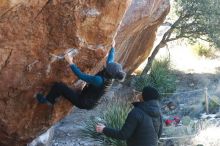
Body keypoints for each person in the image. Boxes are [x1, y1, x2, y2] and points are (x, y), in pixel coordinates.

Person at [36, 44, 126, 110]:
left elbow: (80, 75)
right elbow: (110, 60)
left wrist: (70, 62)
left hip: (83, 102)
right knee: (71, 89)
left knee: (59, 87)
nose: (107, 65)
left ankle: (48, 101)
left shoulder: (99, 80)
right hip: (90, 99)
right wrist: (113, 47)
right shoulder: (111, 75)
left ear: (108, 70)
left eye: (108, 66)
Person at [96, 86, 163, 146]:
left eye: (142, 92)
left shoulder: (136, 112)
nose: (139, 93)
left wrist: (104, 129)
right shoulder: (159, 113)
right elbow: (158, 135)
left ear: (144, 96)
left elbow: (123, 135)